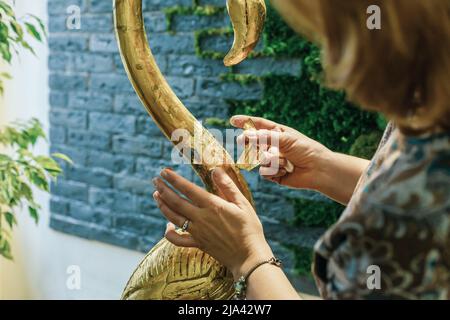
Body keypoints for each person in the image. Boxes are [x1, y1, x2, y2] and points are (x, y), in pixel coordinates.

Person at [151, 0, 450, 299]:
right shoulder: (431, 115)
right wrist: (324, 167)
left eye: (339, 35)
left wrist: (248, 258)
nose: (332, 64)